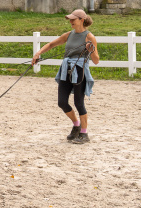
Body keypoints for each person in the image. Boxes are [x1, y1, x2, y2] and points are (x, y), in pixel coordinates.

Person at [32, 9, 100, 144]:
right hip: (66, 69)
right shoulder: (68, 35)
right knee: (62, 102)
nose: (70, 22)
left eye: (73, 19)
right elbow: (51, 44)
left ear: (81, 20)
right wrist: (38, 53)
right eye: (70, 19)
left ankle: (84, 134)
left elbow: (96, 60)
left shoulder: (89, 37)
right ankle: (76, 125)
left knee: (78, 103)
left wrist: (90, 49)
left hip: (80, 70)